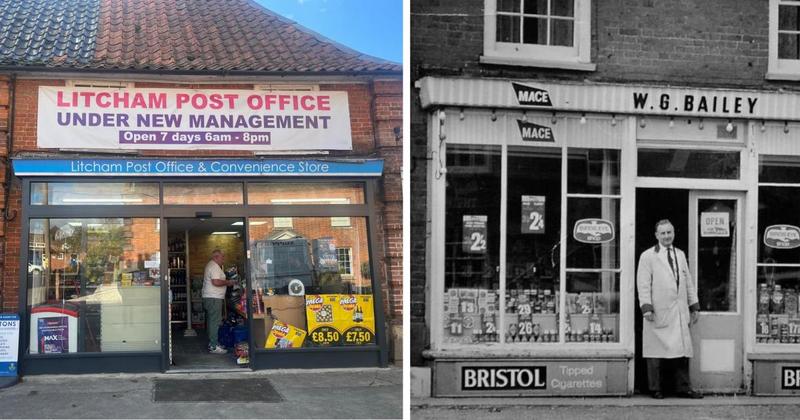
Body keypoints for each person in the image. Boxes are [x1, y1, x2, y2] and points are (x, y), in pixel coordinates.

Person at [637, 219, 703, 399]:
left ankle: (684, 387)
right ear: (656, 235)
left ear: (674, 233)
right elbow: (643, 284)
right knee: (655, 352)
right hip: (658, 311)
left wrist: (694, 305)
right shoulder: (648, 256)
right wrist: (646, 307)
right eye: (663, 233)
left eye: (669, 232)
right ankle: (655, 388)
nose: (667, 236)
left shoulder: (680, 254)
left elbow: (687, 280)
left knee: (681, 350)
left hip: (678, 310)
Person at [202, 249, 235, 354]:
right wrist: (228, 282)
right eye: (222, 257)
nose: (223, 259)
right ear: (216, 257)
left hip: (211, 297)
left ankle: (213, 342)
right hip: (213, 298)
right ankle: (213, 346)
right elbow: (215, 282)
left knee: (212, 321)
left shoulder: (211, 265)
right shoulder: (214, 267)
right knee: (215, 322)